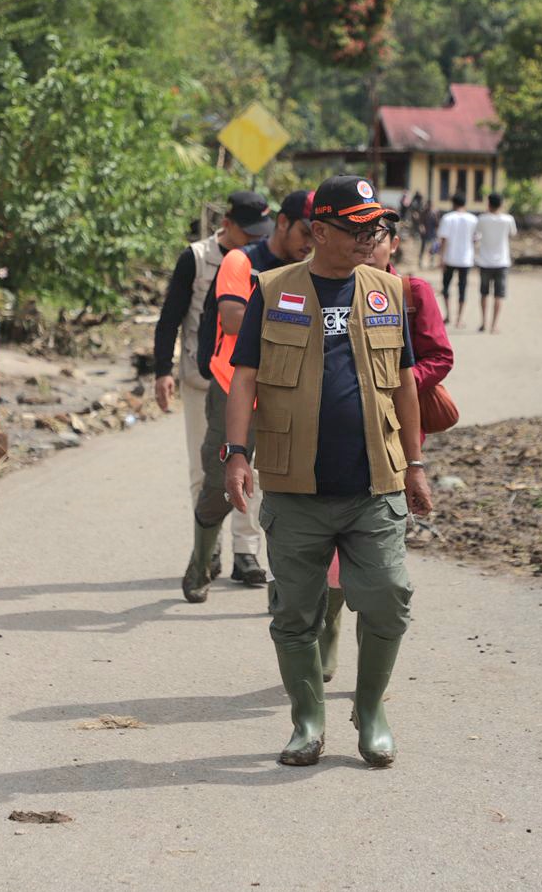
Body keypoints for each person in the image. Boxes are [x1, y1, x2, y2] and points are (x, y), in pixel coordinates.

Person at [224, 174, 435, 768]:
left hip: (375, 482)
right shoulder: (273, 289)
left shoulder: (387, 291)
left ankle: (371, 711)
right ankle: (308, 720)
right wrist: (235, 453)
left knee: (389, 595)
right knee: (295, 611)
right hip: (296, 486)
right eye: (358, 227)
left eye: (377, 225)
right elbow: (244, 377)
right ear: (319, 231)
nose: (373, 235)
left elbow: (402, 383)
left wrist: (415, 464)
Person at [317, 219, 453, 684]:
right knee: (336, 537)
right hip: (339, 433)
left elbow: (440, 357)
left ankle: (369, 671)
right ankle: (328, 624)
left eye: (377, 238)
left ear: (393, 243)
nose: (368, 245)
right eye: (361, 236)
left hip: (397, 432)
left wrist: (391, 387)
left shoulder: (410, 292)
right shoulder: (323, 285)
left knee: (380, 545)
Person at [182, 189, 313, 603]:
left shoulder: (314, 269)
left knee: (287, 492)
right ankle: (201, 562)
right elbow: (234, 319)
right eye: (306, 230)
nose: (311, 241)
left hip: (290, 391)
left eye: (320, 233)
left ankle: (281, 585)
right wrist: (296, 316)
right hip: (233, 389)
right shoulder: (243, 260)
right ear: (283, 223)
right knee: (221, 485)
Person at [153, 192, 270, 586]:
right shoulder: (197, 258)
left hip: (247, 380)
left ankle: (246, 552)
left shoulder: (262, 261)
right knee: (205, 469)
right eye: (246, 230)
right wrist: (161, 370)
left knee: (246, 467)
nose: (251, 238)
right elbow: (171, 315)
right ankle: (209, 549)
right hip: (202, 378)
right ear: (229, 223)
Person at [474, 191, 518, 333]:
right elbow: (513, 234)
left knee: (484, 293)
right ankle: (494, 325)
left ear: (488, 203)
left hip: (485, 262)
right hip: (502, 262)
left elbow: (476, 234)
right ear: (502, 204)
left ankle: (483, 323)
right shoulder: (508, 219)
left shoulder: (482, 219)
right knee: (499, 295)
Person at [435, 192, 477, 326]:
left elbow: (443, 240)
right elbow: (475, 239)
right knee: (462, 288)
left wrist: (441, 258)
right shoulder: (473, 219)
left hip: (449, 258)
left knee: (446, 286)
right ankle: (459, 318)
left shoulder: (448, 218)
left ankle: (448, 315)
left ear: (453, 203)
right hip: (466, 259)